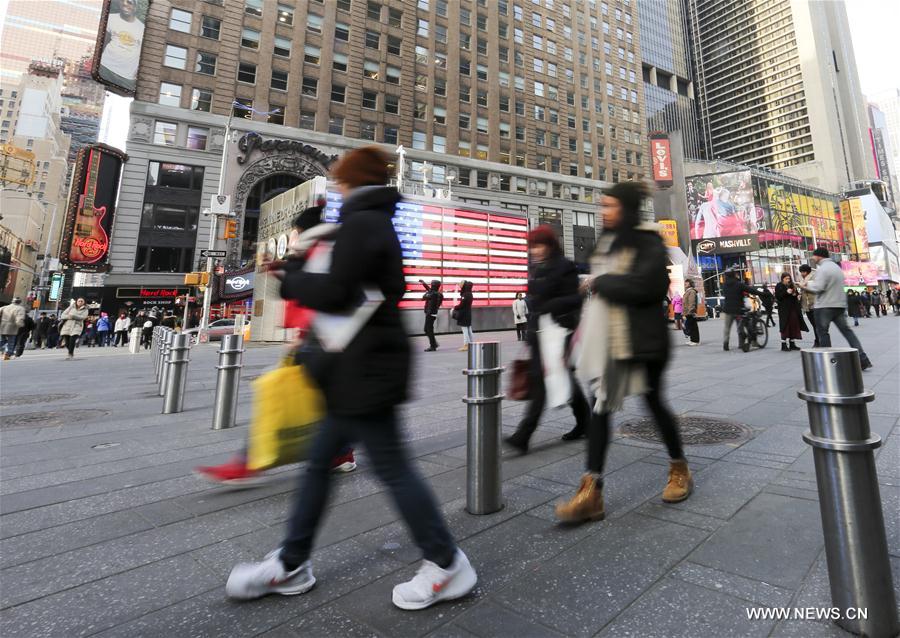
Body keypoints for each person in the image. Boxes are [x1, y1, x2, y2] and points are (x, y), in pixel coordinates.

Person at [225, 146, 477, 609]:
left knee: (390, 468)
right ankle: (292, 563)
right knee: (323, 464)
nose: (336, 187)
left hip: (366, 371)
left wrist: (291, 275)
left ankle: (445, 563)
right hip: (356, 369)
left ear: (354, 182)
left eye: (340, 180)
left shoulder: (363, 223)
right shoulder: (370, 222)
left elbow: (338, 294)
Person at [557, 182, 691, 524]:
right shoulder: (607, 242)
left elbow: (649, 286)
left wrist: (600, 282)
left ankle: (680, 470)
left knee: (654, 403)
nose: (605, 212)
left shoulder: (648, 239)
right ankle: (592, 491)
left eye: (610, 206)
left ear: (627, 209)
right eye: (603, 206)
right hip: (611, 341)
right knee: (601, 405)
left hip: (644, 341)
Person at [504, 225, 590, 451]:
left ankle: (523, 435)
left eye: (539, 245)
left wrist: (549, 304)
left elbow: (575, 300)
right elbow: (535, 300)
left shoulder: (565, 266)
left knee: (544, 382)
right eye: (532, 246)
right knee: (562, 381)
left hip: (559, 333)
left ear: (550, 245)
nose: (535, 251)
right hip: (539, 333)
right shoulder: (537, 268)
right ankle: (586, 422)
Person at [800, 248, 872, 370]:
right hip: (839, 306)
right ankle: (863, 359)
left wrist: (805, 285)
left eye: (814, 256)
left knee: (823, 333)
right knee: (848, 332)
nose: (812, 258)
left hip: (824, 306)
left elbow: (819, 287)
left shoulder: (822, 269)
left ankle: (828, 362)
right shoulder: (836, 268)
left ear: (819, 257)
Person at [98, 0, 144, 92]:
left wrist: (137, 73)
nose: (125, 4)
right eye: (123, 1)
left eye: (129, 2)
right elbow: (103, 42)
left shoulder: (142, 28)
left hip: (127, 76)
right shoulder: (110, 18)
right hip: (105, 67)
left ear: (135, 7)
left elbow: (144, 54)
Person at [721, 270, 762, 352]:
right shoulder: (738, 284)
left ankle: (726, 343)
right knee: (740, 327)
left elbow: (725, 294)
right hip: (738, 309)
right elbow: (750, 290)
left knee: (727, 328)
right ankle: (741, 344)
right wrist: (761, 293)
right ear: (734, 275)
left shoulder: (724, 285)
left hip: (728, 309)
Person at [774, 273, 803, 352]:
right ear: (782, 278)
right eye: (786, 278)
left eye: (789, 278)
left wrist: (794, 293)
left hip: (793, 308)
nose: (788, 280)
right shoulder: (779, 285)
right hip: (784, 309)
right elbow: (778, 296)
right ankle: (783, 344)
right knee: (785, 326)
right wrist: (786, 292)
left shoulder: (791, 285)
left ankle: (792, 343)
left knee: (793, 325)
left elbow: (796, 293)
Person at [798, 264, 819, 347]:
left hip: (814, 304)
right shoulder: (802, 279)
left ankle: (818, 341)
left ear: (806, 272)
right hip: (806, 306)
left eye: (802, 272)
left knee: (816, 325)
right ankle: (818, 340)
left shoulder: (814, 277)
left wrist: (803, 287)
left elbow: (815, 290)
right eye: (801, 272)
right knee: (814, 325)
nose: (801, 274)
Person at [420, 279, 443, 352]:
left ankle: (433, 345)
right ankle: (434, 344)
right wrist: (424, 284)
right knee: (428, 329)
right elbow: (429, 290)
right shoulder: (439, 294)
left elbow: (423, 298)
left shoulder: (432, 294)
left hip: (429, 314)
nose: (431, 285)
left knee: (428, 329)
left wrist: (426, 291)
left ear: (433, 285)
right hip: (433, 313)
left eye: (432, 284)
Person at [453, 280, 474, 352]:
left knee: (465, 331)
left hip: (464, 314)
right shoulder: (470, 293)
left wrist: (455, 307)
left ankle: (466, 345)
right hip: (468, 314)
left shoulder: (465, 295)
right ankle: (471, 344)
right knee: (469, 330)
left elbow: (462, 305)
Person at [682, 279, 700, 346]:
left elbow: (691, 302)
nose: (685, 284)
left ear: (690, 284)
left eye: (686, 283)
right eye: (685, 282)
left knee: (693, 326)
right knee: (691, 326)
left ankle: (695, 340)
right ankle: (692, 340)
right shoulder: (688, 291)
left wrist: (691, 311)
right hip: (687, 311)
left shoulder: (691, 291)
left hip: (690, 312)